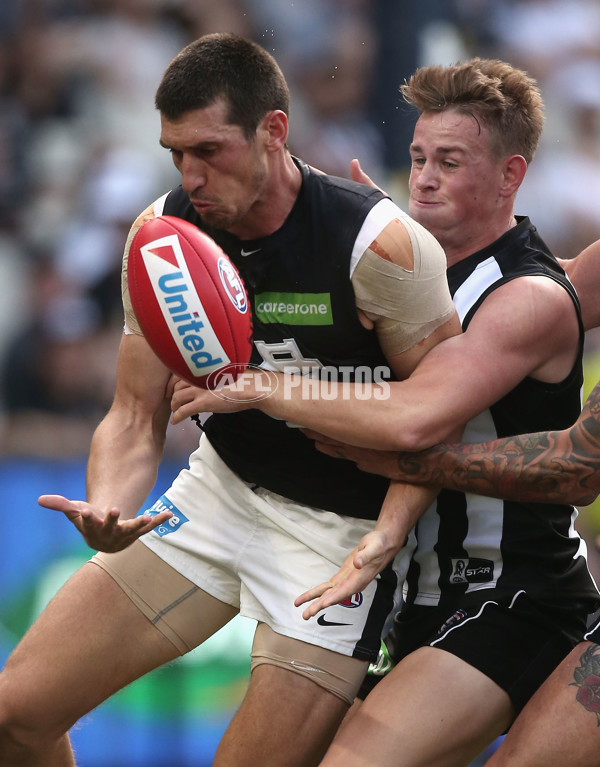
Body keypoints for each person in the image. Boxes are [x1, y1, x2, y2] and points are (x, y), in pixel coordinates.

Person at [0, 33, 460, 767]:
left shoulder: (378, 244)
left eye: (209, 150)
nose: (192, 174)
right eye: (176, 153)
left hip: (338, 539)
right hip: (219, 493)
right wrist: (112, 504)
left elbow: (443, 415)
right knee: (12, 716)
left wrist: (389, 534)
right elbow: (131, 411)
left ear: (274, 131)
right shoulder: (163, 237)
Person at [169, 58, 600, 766]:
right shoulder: (401, 264)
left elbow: (414, 419)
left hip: (507, 590)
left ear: (510, 176)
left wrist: (264, 385)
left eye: (450, 162)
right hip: (405, 594)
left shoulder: (523, 295)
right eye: (418, 157)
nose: (425, 176)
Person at [301, 236, 600, 767]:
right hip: (436, 594)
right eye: (420, 158)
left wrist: (409, 457)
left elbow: (581, 467)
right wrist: (376, 242)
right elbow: (553, 290)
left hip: (520, 592)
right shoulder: (522, 282)